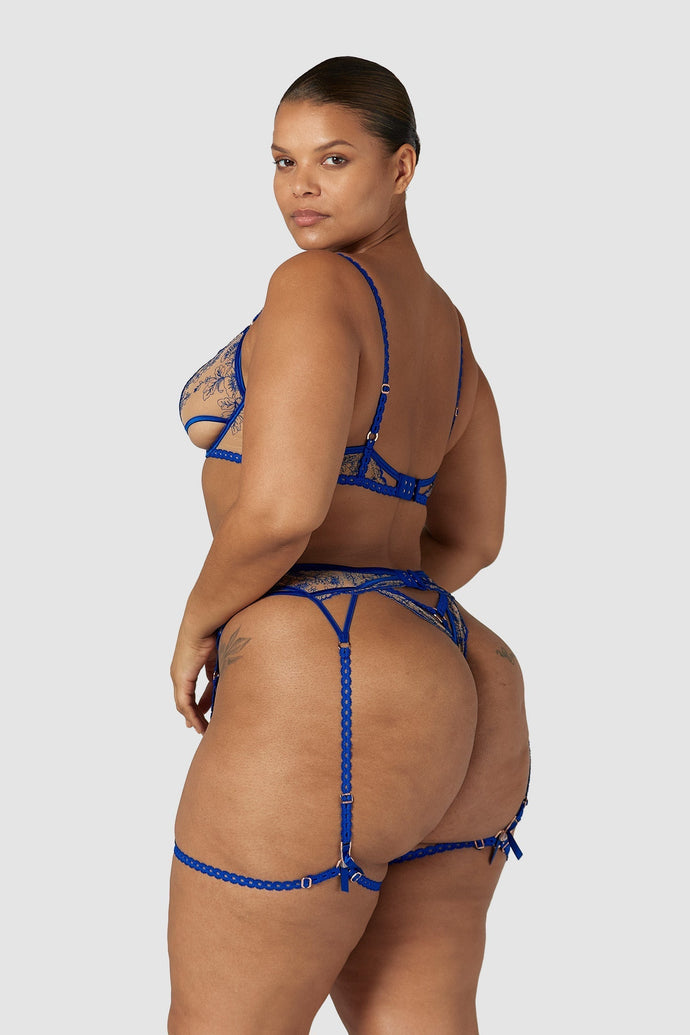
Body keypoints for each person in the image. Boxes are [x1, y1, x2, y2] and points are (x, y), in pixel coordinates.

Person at [168, 55, 530, 1034]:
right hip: (468, 682)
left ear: (402, 166)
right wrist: (388, 619)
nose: (301, 186)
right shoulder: (447, 327)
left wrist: (199, 623)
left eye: (333, 159)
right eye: (282, 161)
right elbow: (477, 533)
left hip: (325, 681)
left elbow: (283, 511)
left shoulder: (315, 285)